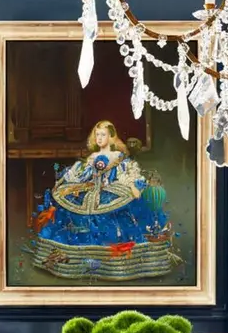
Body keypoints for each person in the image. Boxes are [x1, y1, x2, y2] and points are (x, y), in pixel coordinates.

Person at [33, 120, 172, 280]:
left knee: (115, 220)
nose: (99, 138)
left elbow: (126, 174)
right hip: (90, 191)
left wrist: (132, 185)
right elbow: (82, 175)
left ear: (111, 137)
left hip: (110, 193)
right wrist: (67, 179)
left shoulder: (117, 157)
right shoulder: (92, 157)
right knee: (75, 215)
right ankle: (79, 256)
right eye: (97, 134)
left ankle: (116, 263)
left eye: (103, 134)